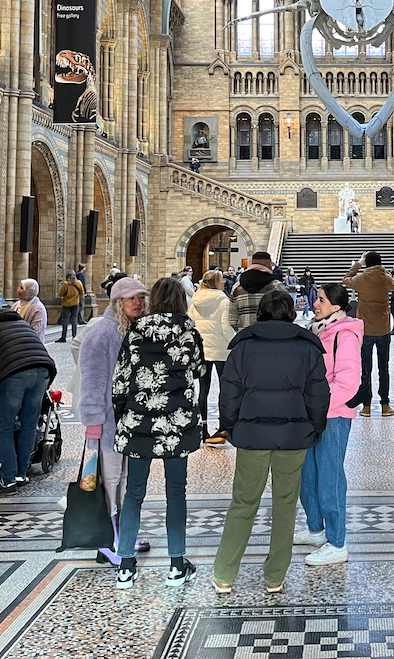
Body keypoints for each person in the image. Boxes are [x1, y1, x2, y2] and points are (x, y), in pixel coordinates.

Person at [212, 290, 330, 594]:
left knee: (243, 503)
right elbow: (318, 395)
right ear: (291, 313)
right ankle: (275, 576)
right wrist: (314, 428)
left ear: (260, 313)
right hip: (293, 437)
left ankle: (224, 572)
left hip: (252, 436)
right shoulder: (307, 348)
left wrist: (230, 426)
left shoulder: (243, 347)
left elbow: (229, 392)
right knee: (285, 505)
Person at [110, 277, 205, 589]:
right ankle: (176, 565)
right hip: (177, 425)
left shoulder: (137, 329)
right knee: (176, 492)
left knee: (134, 492)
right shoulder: (188, 329)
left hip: (139, 423)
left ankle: (125, 565)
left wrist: (123, 413)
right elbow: (198, 369)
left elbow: (121, 378)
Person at [79, 276, 152, 564]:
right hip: (107, 423)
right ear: (118, 302)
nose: (138, 302)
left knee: (123, 482)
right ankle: (109, 542)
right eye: (132, 298)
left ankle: (124, 535)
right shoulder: (103, 333)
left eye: (141, 297)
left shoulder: (130, 330)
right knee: (108, 482)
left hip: (128, 423)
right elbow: (93, 380)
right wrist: (93, 421)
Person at [295, 282, 363, 565]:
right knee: (307, 473)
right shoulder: (317, 330)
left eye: (321, 300)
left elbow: (348, 382)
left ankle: (337, 542)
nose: (315, 304)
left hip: (332, 416)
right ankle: (315, 528)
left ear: (336, 306)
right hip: (311, 413)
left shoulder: (345, 334)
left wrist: (320, 405)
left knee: (330, 477)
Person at [0, 303, 57, 496]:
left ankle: (7, 480)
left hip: (15, 374)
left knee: (4, 427)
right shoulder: (22, 324)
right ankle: (21, 473)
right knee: (29, 425)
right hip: (43, 370)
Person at [343, 251, 394, 417]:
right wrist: (383, 270)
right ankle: (385, 404)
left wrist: (359, 264)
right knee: (384, 368)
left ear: (366, 263)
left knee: (366, 369)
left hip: (365, 330)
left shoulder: (361, 279)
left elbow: (345, 279)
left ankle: (366, 406)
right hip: (383, 329)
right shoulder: (385, 278)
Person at [189, 270, 234, 447]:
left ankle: (203, 428)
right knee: (224, 389)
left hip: (202, 350)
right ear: (216, 282)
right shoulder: (223, 301)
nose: (224, 283)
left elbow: (191, 323)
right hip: (221, 350)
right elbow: (225, 327)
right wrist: (235, 342)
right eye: (222, 280)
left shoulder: (196, 300)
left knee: (203, 389)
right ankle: (222, 427)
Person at [228, 252, 286, 334]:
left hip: (246, 338)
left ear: (252, 263)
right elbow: (287, 315)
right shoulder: (277, 287)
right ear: (269, 263)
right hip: (271, 338)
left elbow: (232, 320)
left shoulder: (237, 289)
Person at [58, 271, 83, 343]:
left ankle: (63, 336)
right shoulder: (79, 283)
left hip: (66, 303)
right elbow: (81, 293)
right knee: (74, 319)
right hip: (75, 303)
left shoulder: (66, 284)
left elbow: (61, 294)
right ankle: (74, 336)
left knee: (65, 320)